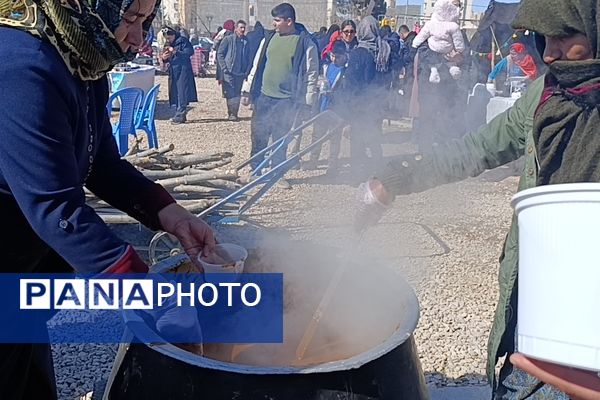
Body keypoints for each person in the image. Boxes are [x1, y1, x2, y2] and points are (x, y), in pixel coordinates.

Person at [355, 0, 600, 398]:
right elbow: (477, 149)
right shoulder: (546, 95)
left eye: (565, 36)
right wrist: (395, 178)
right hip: (537, 315)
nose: (550, 52)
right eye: (545, 38)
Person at [0, 0, 216, 397]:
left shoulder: (80, 53)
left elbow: (100, 162)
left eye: (146, 20)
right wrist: (147, 291)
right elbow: (55, 209)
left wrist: (169, 213)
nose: (138, 37)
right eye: (130, 19)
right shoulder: (21, 65)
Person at [241, 2, 319, 189]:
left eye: (277, 20)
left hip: (286, 101)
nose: (274, 24)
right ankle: (256, 170)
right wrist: (247, 90)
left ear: (289, 21)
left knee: (280, 137)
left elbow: (311, 74)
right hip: (264, 97)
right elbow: (257, 65)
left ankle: (277, 173)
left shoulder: (305, 42)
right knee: (259, 134)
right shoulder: (268, 38)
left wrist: (308, 102)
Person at [305, 40, 348, 173]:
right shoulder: (326, 67)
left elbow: (347, 93)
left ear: (344, 56)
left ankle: (332, 165)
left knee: (335, 139)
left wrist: (334, 95)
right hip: (322, 107)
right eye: (332, 56)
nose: (334, 59)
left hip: (336, 110)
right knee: (317, 136)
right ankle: (313, 161)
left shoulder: (346, 71)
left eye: (338, 57)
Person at [411, 0, 465, 83]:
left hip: (449, 84)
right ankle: (441, 69)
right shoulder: (453, 27)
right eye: (454, 5)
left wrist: (459, 56)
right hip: (430, 81)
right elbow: (420, 40)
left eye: (458, 6)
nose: (457, 8)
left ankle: (444, 69)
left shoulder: (432, 25)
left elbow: (464, 55)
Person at [162, 28, 198, 124]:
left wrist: (175, 51)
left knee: (182, 92)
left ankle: (180, 114)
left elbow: (189, 52)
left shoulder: (183, 41)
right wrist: (164, 58)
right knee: (175, 92)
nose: (168, 40)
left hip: (183, 70)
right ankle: (180, 113)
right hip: (173, 70)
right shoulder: (168, 44)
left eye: (169, 38)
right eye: (167, 38)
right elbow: (165, 56)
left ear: (174, 35)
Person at [217, 20, 250, 121]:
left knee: (237, 94)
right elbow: (220, 53)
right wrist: (224, 68)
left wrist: (246, 70)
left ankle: (235, 112)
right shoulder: (228, 39)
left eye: (244, 28)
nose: (243, 30)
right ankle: (231, 113)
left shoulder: (246, 41)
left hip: (240, 72)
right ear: (236, 28)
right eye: (241, 27)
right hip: (229, 71)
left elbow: (248, 56)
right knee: (230, 93)